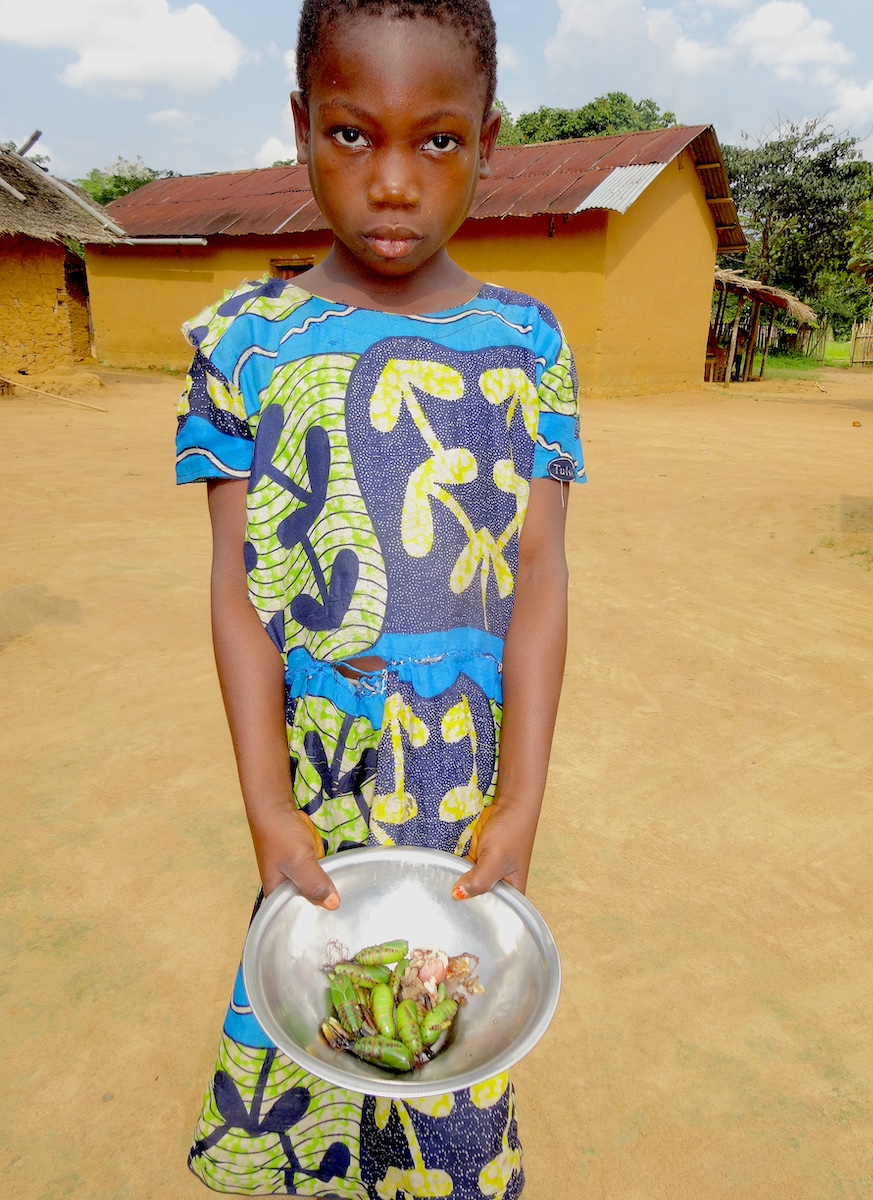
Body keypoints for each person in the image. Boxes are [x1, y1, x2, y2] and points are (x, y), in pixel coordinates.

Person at [175, 0, 585, 1194]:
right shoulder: (241, 342)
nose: (393, 183)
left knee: (444, 1066)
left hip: (462, 814)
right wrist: (266, 802)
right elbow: (238, 588)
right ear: (303, 125)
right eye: (355, 136)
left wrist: (522, 799)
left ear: (489, 139)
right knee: (311, 1038)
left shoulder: (529, 343)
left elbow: (543, 572)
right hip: (320, 800)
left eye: (438, 140)